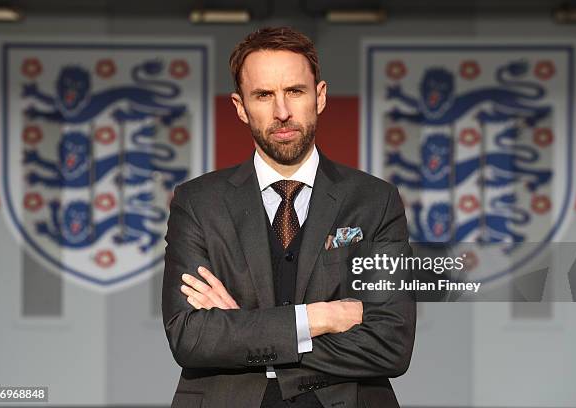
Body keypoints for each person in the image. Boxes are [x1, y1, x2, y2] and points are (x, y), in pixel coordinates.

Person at [162, 26, 416, 408]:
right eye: (264, 95)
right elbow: (190, 337)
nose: (282, 112)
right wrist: (318, 318)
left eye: (294, 92)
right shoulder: (197, 202)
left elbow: (390, 343)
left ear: (320, 96)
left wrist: (246, 332)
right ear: (240, 107)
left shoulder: (375, 200)